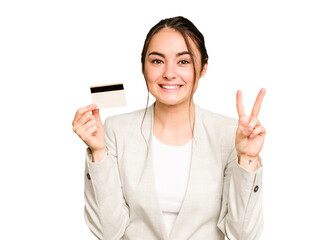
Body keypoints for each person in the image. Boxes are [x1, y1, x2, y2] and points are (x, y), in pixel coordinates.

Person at [72, 16, 266, 240]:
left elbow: (242, 235)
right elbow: (108, 231)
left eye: (183, 61)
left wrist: (248, 159)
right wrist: (98, 153)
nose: (169, 73)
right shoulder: (116, 130)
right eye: (157, 61)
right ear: (143, 67)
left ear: (203, 67)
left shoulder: (230, 134)